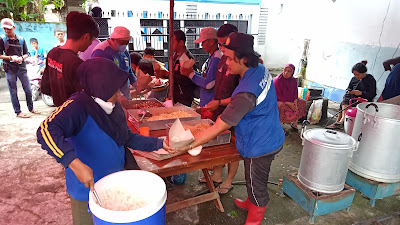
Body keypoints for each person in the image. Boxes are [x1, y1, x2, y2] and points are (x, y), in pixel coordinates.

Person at [37, 58, 171, 225]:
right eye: (116, 88)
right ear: (103, 86)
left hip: (115, 185)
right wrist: (73, 163)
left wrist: (158, 144)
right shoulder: (77, 106)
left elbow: (127, 138)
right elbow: (45, 130)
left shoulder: (114, 108)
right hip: (87, 191)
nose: (120, 93)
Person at [174, 33, 285, 224]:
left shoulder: (247, 92)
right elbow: (237, 101)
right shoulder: (259, 69)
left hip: (261, 144)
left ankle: (254, 216)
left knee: (256, 183)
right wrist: (219, 102)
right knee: (252, 179)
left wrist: (187, 145)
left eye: (230, 59)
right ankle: (251, 204)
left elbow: (219, 126)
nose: (226, 63)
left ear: (243, 59)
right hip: (268, 133)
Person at [199, 24, 240, 195]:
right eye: (220, 44)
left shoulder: (243, 63)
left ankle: (229, 179)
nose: (221, 48)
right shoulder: (224, 58)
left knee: (234, 147)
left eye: (224, 44)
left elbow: (242, 97)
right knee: (218, 142)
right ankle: (217, 175)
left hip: (236, 112)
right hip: (219, 108)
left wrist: (221, 102)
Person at [41, 11, 99, 107]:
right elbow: (84, 100)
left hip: (59, 112)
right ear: (86, 37)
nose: (90, 45)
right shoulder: (77, 64)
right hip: (75, 116)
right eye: (91, 41)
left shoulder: (52, 53)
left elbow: (45, 88)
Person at [0, 18, 38, 118]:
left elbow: (27, 53)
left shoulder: (21, 39)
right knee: (13, 91)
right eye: (4, 29)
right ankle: (18, 111)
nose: (7, 31)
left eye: (8, 28)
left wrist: (21, 58)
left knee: (28, 89)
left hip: (21, 67)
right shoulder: (2, 39)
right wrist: (10, 57)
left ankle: (31, 108)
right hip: (9, 68)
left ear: (13, 27)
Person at [181, 27, 222, 112]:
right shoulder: (213, 56)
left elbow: (209, 84)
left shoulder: (216, 58)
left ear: (211, 42)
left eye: (203, 42)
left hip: (210, 104)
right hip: (207, 102)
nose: (201, 45)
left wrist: (190, 74)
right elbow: (206, 76)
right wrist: (192, 72)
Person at [328, 60, 376, 129]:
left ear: (364, 73)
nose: (356, 76)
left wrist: (361, 93)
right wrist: (350, 91)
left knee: (346, 100)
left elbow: (372, 94)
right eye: (355, 75)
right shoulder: (354, 79)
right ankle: (339, 121)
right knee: (346, 98)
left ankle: (342, 120)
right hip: (352, 98)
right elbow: (349, 88)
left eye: (358, 75)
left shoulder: (370, 80)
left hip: (363, 100)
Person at [92, 26, 136, 100]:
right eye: (122, 42)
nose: (124, 45)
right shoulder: (101, 51)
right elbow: (101, 79)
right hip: (108, 99)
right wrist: (118, 95)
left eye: (127, 42)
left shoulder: (124, 52)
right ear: (114, 39)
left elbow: (128, 71)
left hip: (125, 96)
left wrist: (135, 82)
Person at [273, 64, 306, 130]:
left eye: (289, 71)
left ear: (292, 72)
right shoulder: (277, 80)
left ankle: (294, 123)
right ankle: (277, 126)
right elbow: (276, 95)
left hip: (290, 99)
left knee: (302, 102)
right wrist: (288, 103)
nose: (286, 73)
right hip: (278, 100)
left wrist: (295, 102)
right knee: (281, 106)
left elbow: (295, 92)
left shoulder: (293, 80)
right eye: (285, 70)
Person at [171, 29, 197, 106]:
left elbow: (188, 80)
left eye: (173, 42)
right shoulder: (175, 56)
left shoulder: (187, 58)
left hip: (184, 97)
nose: (170, 45)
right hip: (175, 95)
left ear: (181, 43)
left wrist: (168, 75)